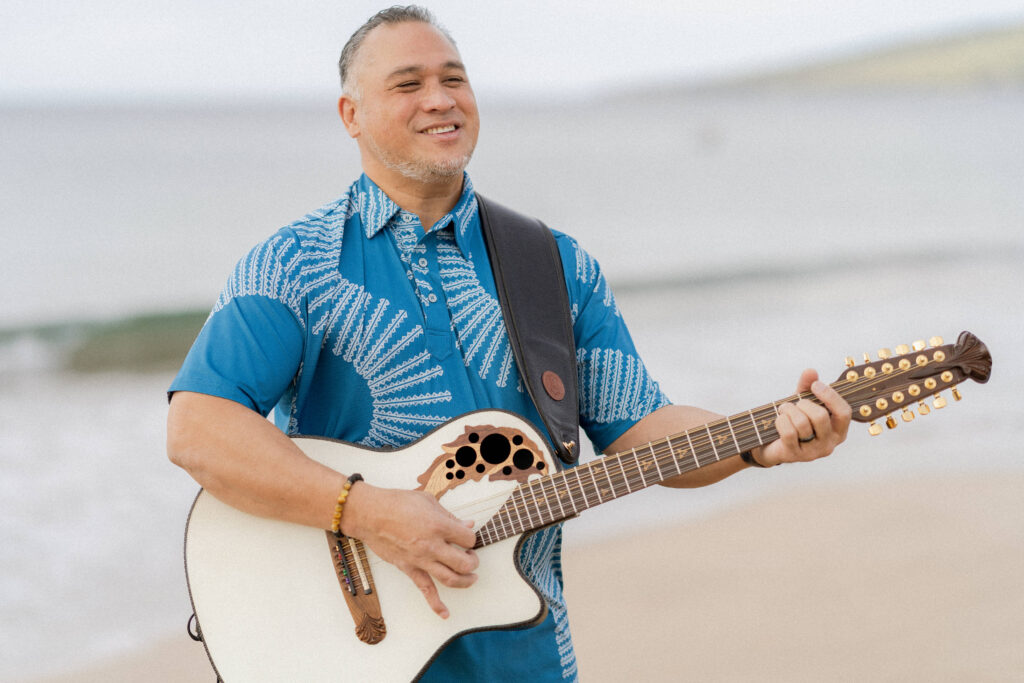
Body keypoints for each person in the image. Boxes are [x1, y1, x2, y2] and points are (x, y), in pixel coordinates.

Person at [167, 6, 851, 681]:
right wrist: (368, 511)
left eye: (454, 79)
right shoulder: (296, 264)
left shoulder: (553, 264)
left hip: (530, 658)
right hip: (356, 655)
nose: (440, 100)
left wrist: (761, 441)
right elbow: (198, 428)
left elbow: (641, 428)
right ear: (351, 115)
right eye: (408, 84)